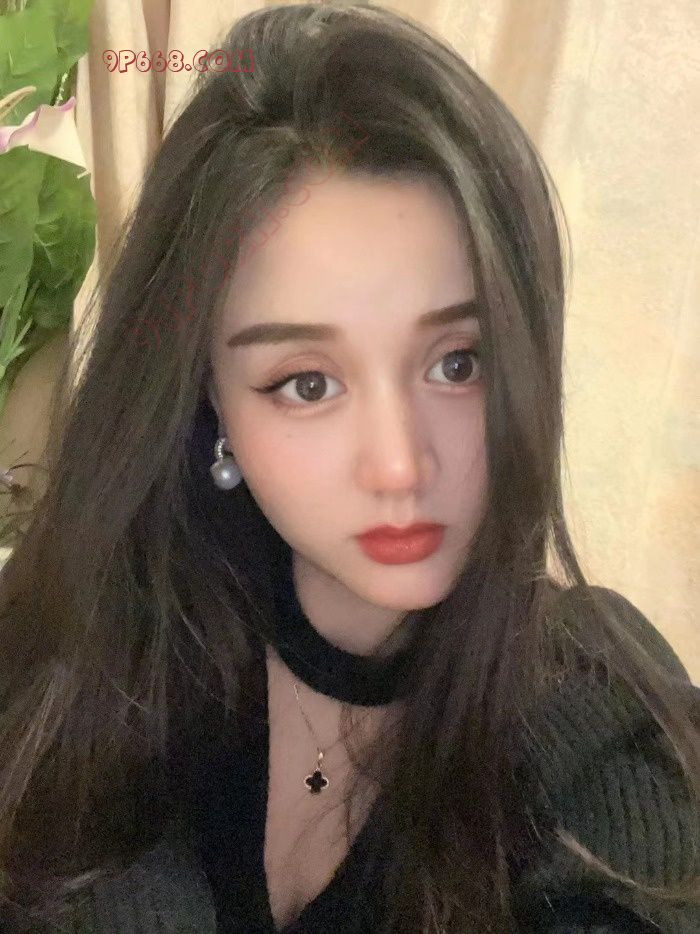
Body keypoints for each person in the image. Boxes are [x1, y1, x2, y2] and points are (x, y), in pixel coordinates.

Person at [0, 3, 697, 932]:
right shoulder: (72, 638)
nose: (400, 465)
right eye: (308, 383)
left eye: (458, 363)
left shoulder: (597, 708)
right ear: (209, 399)